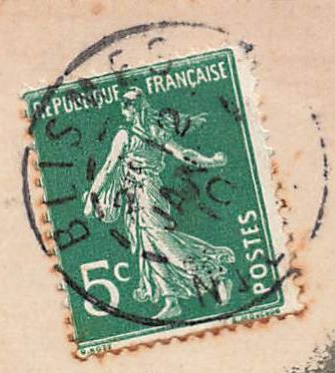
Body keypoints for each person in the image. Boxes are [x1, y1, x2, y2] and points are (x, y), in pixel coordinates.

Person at [84, 87, 234, 321]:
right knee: (148, 247)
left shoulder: (129, 135)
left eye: (127, 106)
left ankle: (213, 277)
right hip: (137, 195)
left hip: (147, 195)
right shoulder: (154, 132)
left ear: (133, 109)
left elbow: (108, 167)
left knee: (163, 243)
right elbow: (184, 155)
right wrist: (210, 161)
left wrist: (94, 195)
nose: (125, 110)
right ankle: (171, 300)